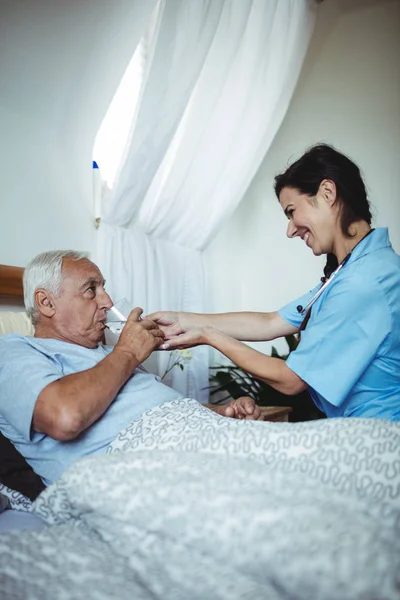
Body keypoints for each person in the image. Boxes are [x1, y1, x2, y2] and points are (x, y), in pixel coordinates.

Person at [149, 144, 400, 421]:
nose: (290, 229)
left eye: (291, 211)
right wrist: (183, 320)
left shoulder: (365, 282)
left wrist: (208, 335)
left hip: (381, 436)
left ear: (327, 193)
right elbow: (270, 322)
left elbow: (291, 379)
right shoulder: (353, 269)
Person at [0, 251, 262, 487]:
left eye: (104, 288)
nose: (107, 301)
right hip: (146, 473)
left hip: (204, 444)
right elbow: (65, 417)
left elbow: (150, 407)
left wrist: (218, 413)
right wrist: (127, 352)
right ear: (46, 303)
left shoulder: (107, 357)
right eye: (91, 289)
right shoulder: (14, 352)